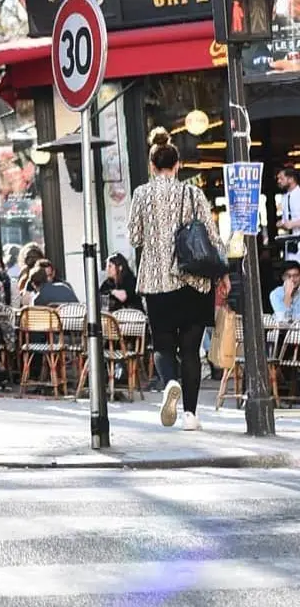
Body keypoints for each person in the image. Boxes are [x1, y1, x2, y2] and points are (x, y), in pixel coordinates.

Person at [128, 127, 224, 432]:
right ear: (178, 165)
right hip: (194, 282)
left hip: (157, 284)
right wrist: (222, 274)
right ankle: (191, 415)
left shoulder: (142, 194)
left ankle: (170, 381)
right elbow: (211, 235)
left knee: (164, 345)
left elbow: (134, 236)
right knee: (192, 350)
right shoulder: (193, 193)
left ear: (152, 166)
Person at [276, 168, 300, 263]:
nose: (278, 181)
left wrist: (293, 224)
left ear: (291, 179)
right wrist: (282, 224)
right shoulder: (284, 198)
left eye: (281, 178)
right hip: (290, 242)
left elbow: (292, 223)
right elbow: (286, 220)